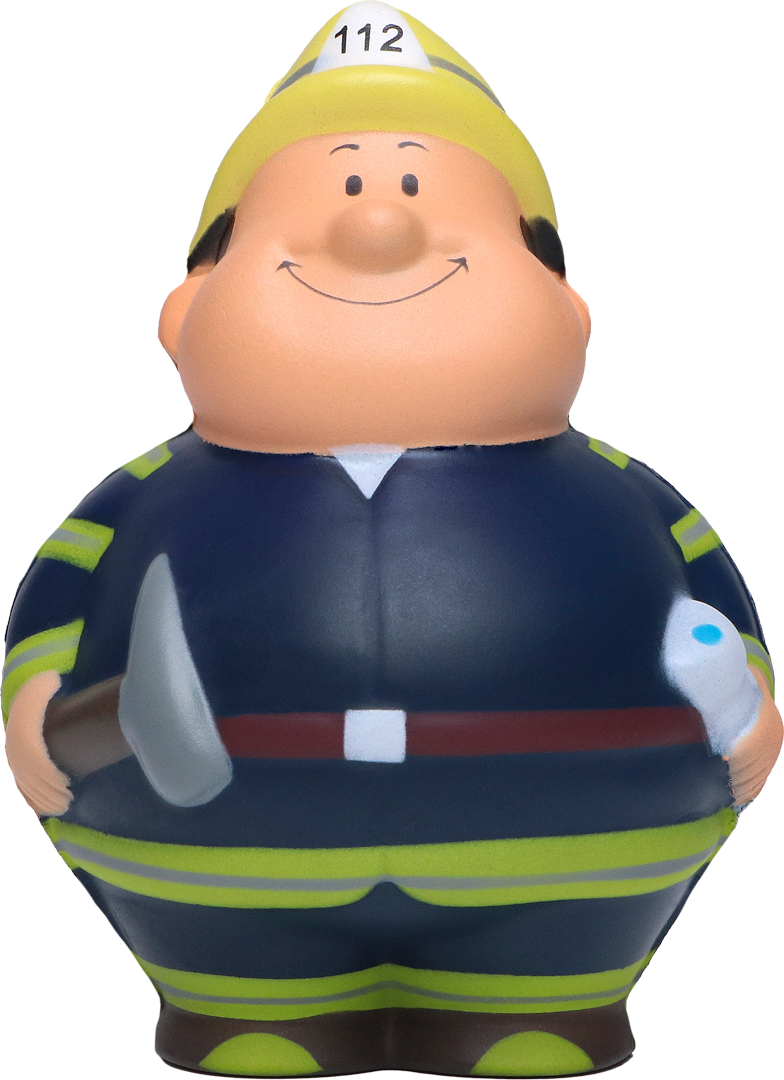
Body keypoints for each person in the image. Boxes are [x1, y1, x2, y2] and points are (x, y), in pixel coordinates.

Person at [4, 4, 781, 1076]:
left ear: (564, 303)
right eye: (340, 192)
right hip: (218, 880)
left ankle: (538, 1000)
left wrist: (744, 699)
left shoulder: (624, 493)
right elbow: (58, 605)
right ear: (189, 308)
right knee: (246, 990)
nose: (377, 227)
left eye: (418, 188)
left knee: (541, 986)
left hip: (569, 877)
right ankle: (251, 1004)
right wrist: (35, 698)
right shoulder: (136, 498)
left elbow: (714, 605)